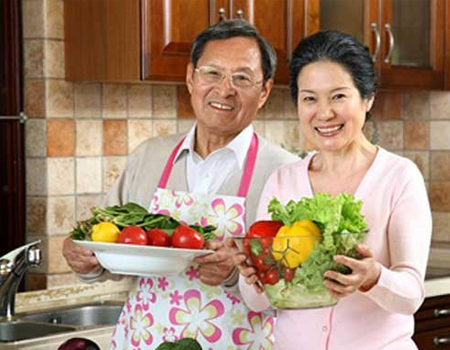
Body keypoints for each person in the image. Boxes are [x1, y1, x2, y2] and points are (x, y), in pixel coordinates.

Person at [62, 20, 298, 349]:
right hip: (144, 339)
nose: (225, 89)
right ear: (191, 77)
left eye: (242, 78)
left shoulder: (286, 173)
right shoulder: (148, 157)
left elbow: (297, 293)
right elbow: (108, 247)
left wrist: (236, 275)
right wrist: (84, 259)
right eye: (212, 73)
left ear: (265, 91)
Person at [237, 30, 432, 350]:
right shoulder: (282, 180)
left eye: (339, 96)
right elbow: (258, 303)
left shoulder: (399, 177)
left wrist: (373, 278)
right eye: (310, 98)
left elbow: (411, 294)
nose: (324, 113)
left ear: (367, 98)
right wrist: (254, 276)